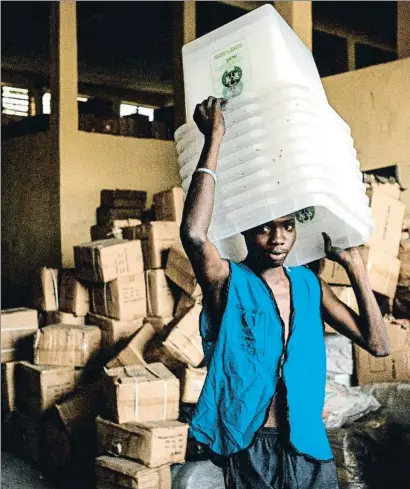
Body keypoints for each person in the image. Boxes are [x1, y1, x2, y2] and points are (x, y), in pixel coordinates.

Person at [179, 96, 391, 489]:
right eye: (264, 227)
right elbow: (194, 233)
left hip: (308, 445)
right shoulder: (229, 282)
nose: (278, 239)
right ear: (244, 230)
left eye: (288, 226)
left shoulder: (309, 286)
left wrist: (355, 264)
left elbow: (379, 345)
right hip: (252, 444)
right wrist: (215, 138)